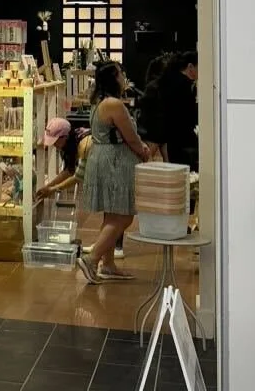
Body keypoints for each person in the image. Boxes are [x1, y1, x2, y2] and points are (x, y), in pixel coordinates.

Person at [77, 61, 151, 283]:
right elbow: (130, 136)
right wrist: (143, 150)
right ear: (113, 78)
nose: (123, 76)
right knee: (125, 214)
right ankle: (92, 258)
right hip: (115, 161)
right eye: (120, 73)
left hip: (103, 158)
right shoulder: (114, 104)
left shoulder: (99, 101)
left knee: (112, 213)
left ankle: (107, 264)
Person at [159, 51, 199, 171]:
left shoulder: (167, 81)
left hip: (171, 139)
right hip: (185, 139)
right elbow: (191, 115)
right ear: (190, 67)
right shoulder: (186, 85)